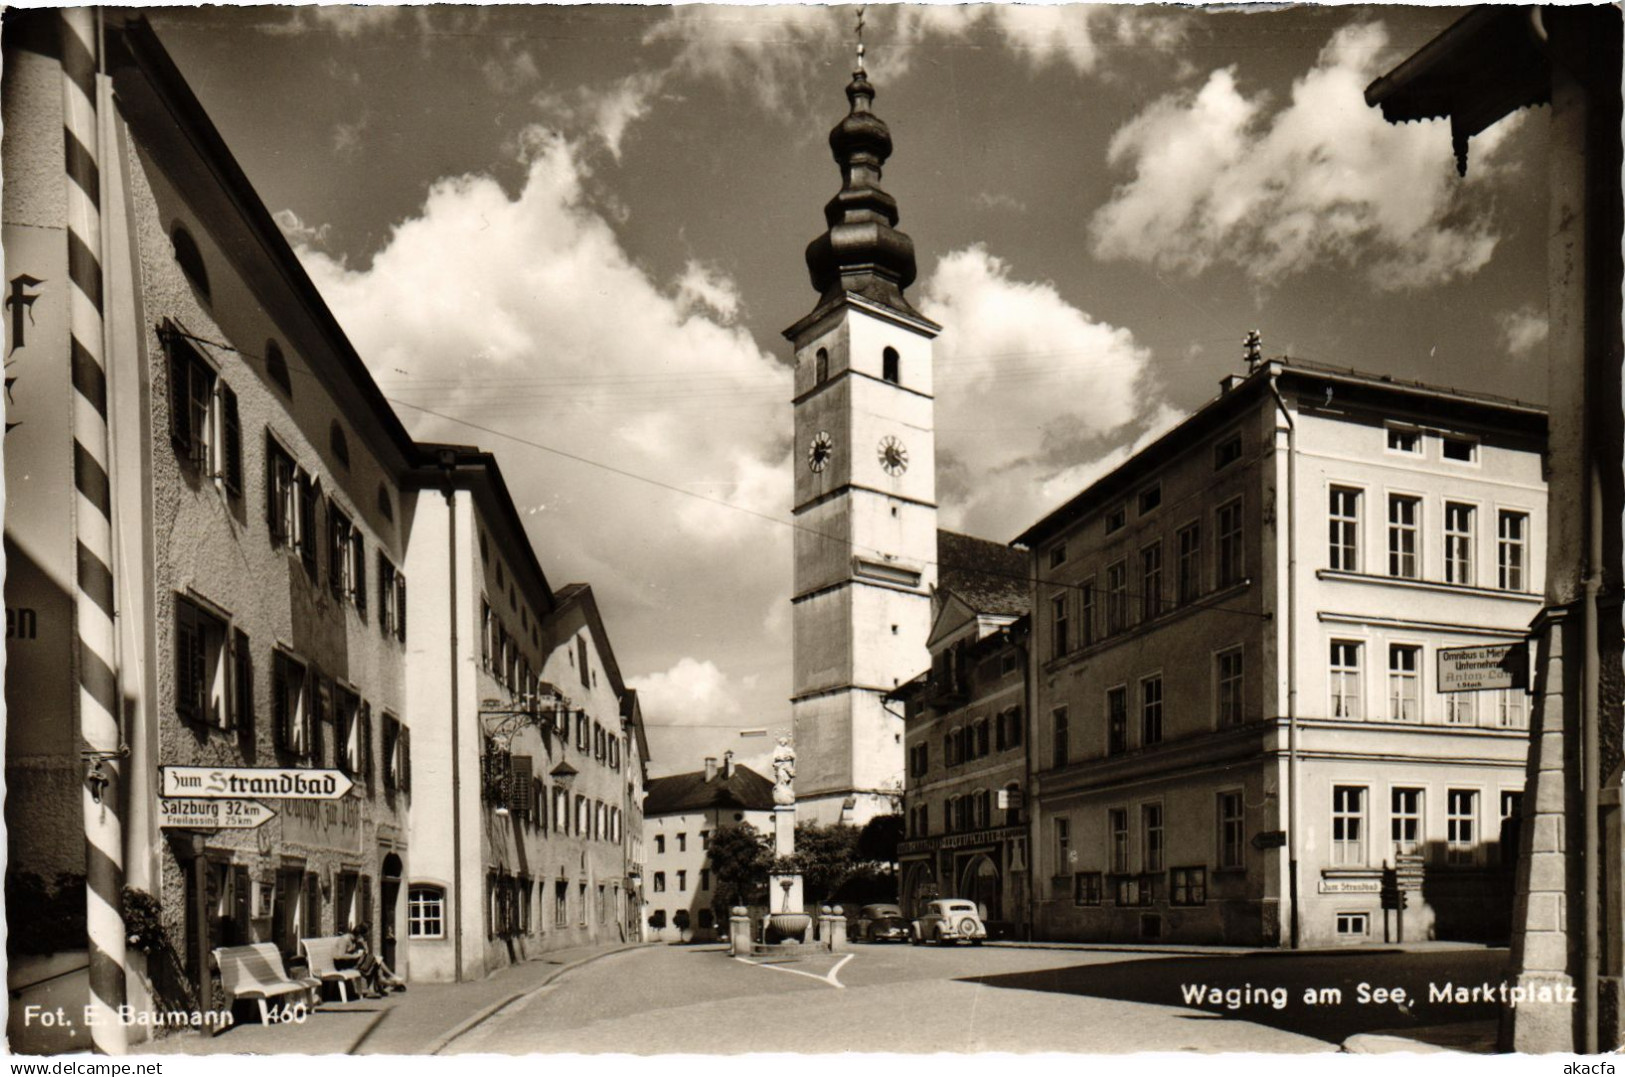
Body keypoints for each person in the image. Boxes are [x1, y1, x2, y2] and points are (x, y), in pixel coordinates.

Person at [342, 922, 405, 997]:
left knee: (374, 961)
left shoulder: (356, 940)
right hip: (347, 965)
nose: (368, 936)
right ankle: (386, 980)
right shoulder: (345, 939)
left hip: (356, 962)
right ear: (360, 934)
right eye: (366, 934)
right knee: (374, 960)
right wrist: (355, 956)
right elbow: (339, 956)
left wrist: (363, 946)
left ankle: (381, 983)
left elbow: (365, 953)